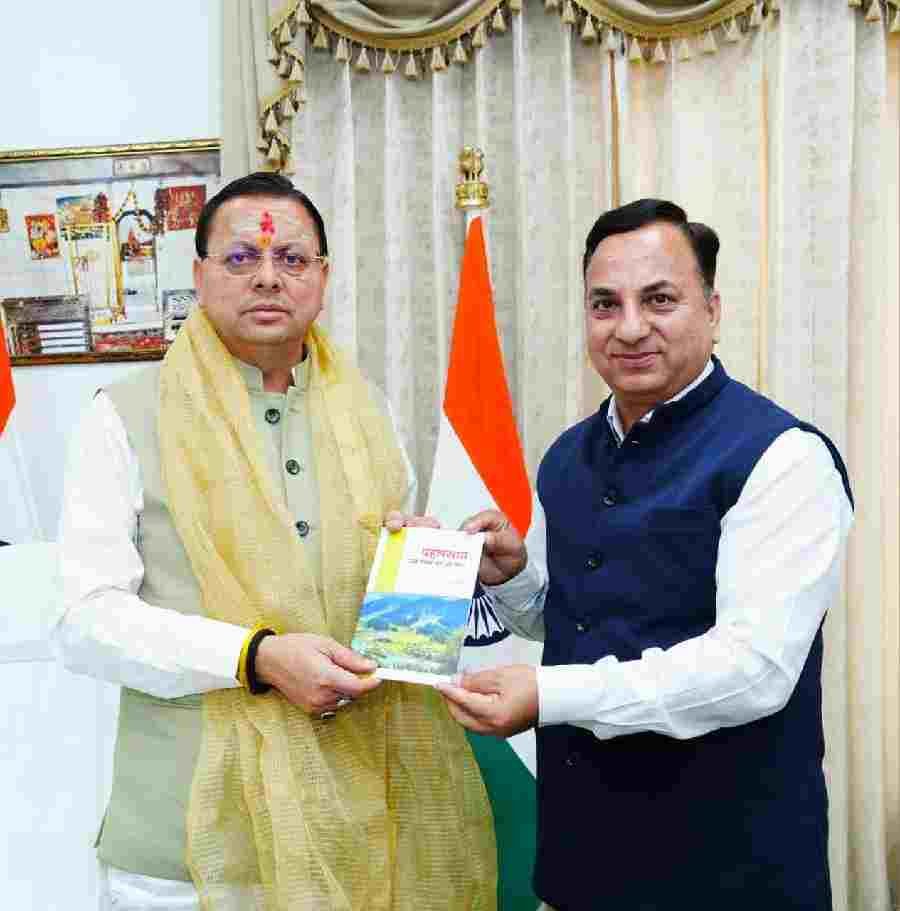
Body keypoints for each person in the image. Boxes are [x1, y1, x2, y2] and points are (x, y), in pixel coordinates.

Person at [55, 172, 496, 911]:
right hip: (192, 836)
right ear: (199, 276)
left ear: (323, 277)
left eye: (292, 258)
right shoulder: (123, 417)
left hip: (357, 816)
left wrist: (420, 569)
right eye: (241, 258)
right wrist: (255, 657)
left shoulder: (369, 416)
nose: (267, 276)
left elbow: (385, 622)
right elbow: (86, 621)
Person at [422, 199, 854, 910]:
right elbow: (577, 619)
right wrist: (515, 579)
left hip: (729, 869)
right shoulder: (568, 455)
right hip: (582, 859)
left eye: (659, 300)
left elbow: (753, 671)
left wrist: (550, 695)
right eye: (605, 304)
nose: (628, 328)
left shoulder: (783, 457)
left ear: (712, 310)